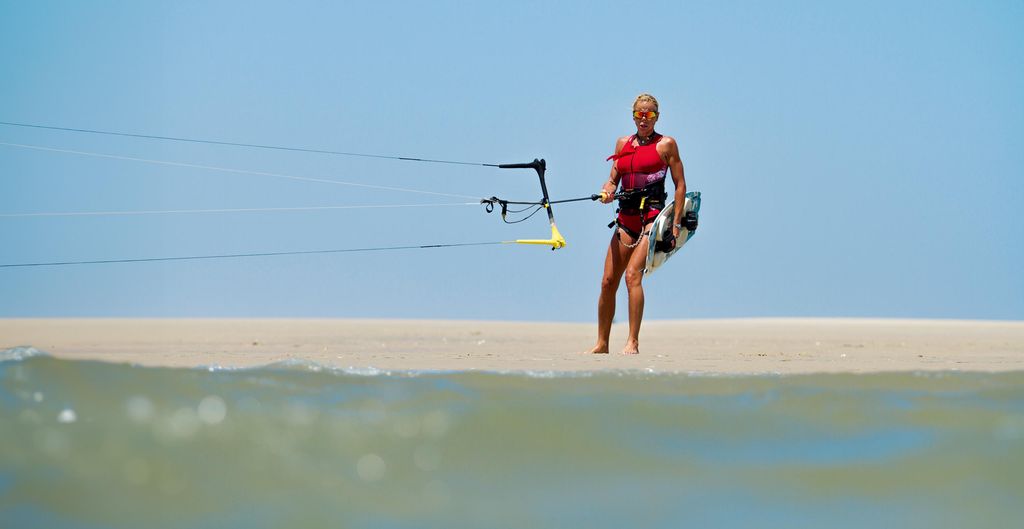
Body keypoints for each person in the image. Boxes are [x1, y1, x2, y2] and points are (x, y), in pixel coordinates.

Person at [589, 93, 686, 355]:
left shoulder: (666, 145)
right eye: (640, 114)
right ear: (633, 116)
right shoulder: (623, 144)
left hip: (652, 219)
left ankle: (633, 341)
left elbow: (680, 185)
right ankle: (602, 343)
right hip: (625, 220)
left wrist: (675, 223)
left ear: (657, 117)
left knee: (633, 276)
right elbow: (613, 179)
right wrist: (607, 190)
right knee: (608, 281)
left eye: (650, 115)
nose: (644, 119)